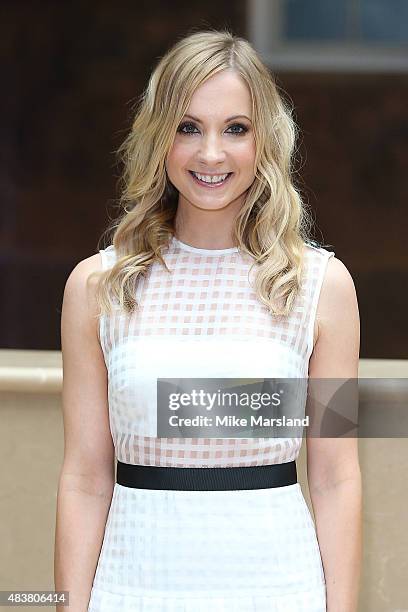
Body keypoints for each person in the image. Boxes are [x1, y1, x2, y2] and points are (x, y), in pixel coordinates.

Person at [54, 28, 362, 612]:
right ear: (159, 140)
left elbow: (335, 477)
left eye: (236, 129)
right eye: (188, 127)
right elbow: (84, 479)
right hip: (132, 588)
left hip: (279, 590)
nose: (211, 153)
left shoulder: (324, 287)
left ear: (265, 140)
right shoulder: (97, 286)